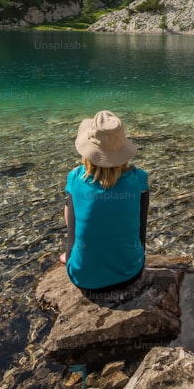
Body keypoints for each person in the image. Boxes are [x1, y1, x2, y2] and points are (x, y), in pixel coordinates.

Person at [62, 110, 149, 296]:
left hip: (82, 277)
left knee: (73, 206)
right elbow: (142, 231)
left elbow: (72, 231)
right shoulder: (139, 179)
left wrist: (71, 253)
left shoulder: (75, 178)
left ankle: (73, 256)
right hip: (131, 272)